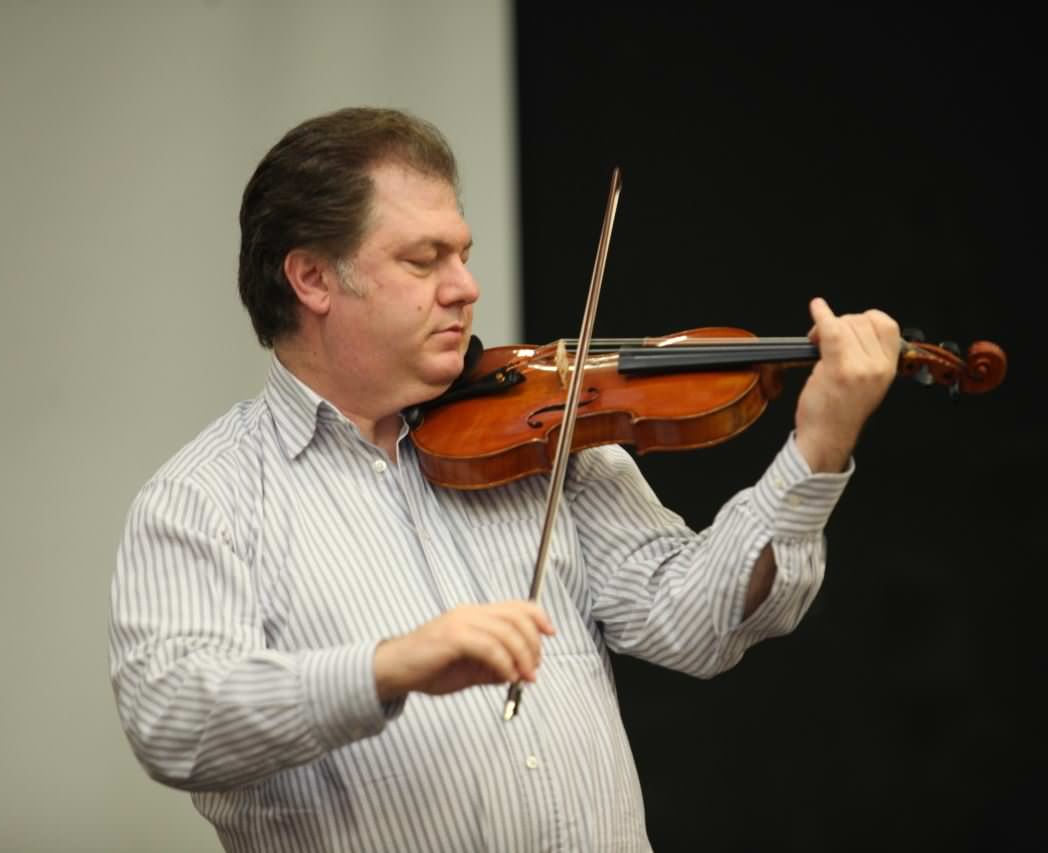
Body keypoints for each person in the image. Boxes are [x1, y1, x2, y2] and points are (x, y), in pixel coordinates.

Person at [108, 106, 901, 852]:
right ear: (313, 279)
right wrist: (389, 666)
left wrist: (816, 447)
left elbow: (697, 622)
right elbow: (173, 718)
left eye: (462, 253)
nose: (465, 286)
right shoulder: (205, 499)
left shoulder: (542, 438)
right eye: (423, 260)